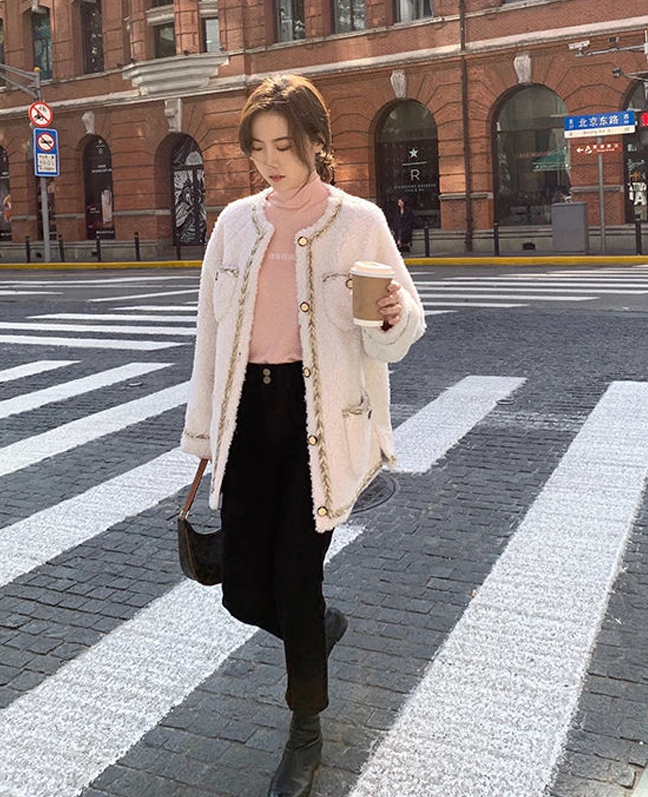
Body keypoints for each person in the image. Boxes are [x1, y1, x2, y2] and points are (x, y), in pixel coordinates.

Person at [180, 74, 425, 797]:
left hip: (319, 423)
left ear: (317, 141)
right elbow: (209, 337)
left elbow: (399, 332)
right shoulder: (234, 224)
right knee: (242, 593)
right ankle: (317, 628)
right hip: (246, 419)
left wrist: (392, 316)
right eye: (257, 148)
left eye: (284, 145)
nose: (270, 161)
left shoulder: (359, 222)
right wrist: (204, 435)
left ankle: (305, 730)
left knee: (295, 577)